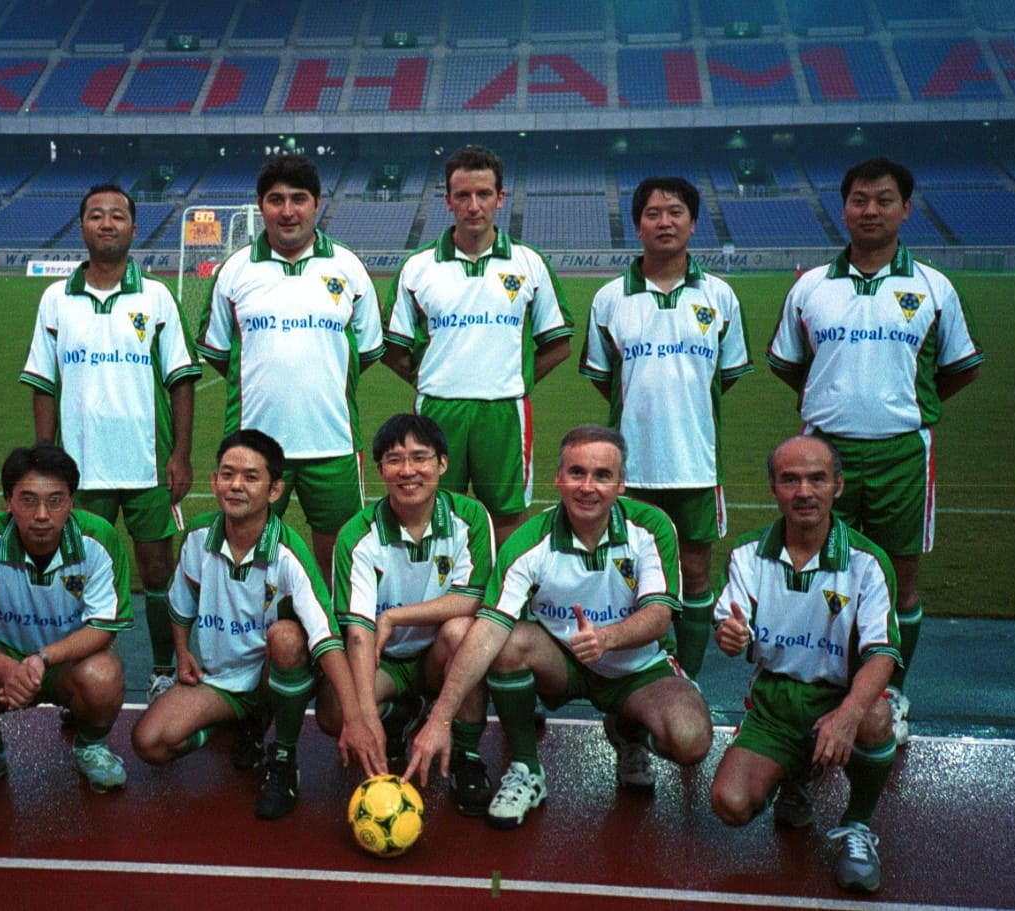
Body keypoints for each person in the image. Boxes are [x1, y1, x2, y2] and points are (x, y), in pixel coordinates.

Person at [767, 158, 984, 744]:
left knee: (898, 577)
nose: (870, 210)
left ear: (906, 209)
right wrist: (834, 401)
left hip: (901, 455)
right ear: (844, 209)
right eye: (859, 200)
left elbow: (957, 369)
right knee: (816, 570)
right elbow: (788, 364)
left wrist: (904, 407)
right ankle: (817, 683)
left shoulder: (934, 287)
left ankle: (891, 691)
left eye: (883, 200)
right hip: (822, 456)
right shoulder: (811, 286)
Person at [405, 425, 713, 829]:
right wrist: (441, 718)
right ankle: (526, 769)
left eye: (602, 476)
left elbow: (658, 617)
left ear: (621, 483)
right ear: (558, 478)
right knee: (509, 643)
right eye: (577, 473)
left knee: (691, 741)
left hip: (638, 669)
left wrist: (606, 639)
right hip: (561, 664)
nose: (588, 487)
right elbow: (488, 629)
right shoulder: (529, 542)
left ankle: (627, 729)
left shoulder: (651, 527)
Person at [130, 430, 387, 819]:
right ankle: (243, 723)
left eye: (251, 477)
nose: (236, 485)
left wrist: (355, 719)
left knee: (286, 638)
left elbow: (326, 638)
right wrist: (182, 653)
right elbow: (181, 605)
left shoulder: (287, 553)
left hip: (276, 672)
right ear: (214, 481)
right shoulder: (198, 537)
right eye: (227, 474)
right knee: (149, 742)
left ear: (274, 489)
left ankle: (283, 756)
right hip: (224, 679)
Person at [20, 183, 200, 704]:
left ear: (133, 228)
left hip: (146, 466)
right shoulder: (56, 299)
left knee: (158, 572)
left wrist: (181, 454)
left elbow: (181, 381)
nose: (106, 223)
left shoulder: (157, 296)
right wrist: (43, 461)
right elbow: (43, 382)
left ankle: (164, 667)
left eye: (117, 215)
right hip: (79, 470)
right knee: (78, 575)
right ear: (82, 227)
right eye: (96, 215)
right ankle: (78, 676)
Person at [710, 435, 901, 893]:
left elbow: (882, 653)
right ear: (773, 488)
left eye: (817, 479)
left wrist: (848, 715)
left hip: (839, 696)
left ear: (838, 485)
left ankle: (856, 825)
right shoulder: (747, 553)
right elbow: (731, 632)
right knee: (729, 804)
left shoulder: (866, 563)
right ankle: (799, 775)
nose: (804, 492)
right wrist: (730, 637)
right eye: (790, 480)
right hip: (774, 700)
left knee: (875, 714)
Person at [580, 176, 753, 679]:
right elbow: (605, 380)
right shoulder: (611, 298)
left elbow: (725, 378)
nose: (664, 222)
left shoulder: (720, 297)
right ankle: (636, 677)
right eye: (653, 213)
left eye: (675, 212)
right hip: (629, 469)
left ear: (693, 222)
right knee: (631, 576)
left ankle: (687, 682)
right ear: (637, 225)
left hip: (695, 463)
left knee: (696, 573)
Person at [198, 153, 383, 589]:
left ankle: (333, 644)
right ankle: (246, 650)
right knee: (244, 557)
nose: (287, 210)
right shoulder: (235, 270)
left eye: (298, 199)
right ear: (260, 205)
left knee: (341, 560)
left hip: (332, 442)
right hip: (254, 447)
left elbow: (368, 351)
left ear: (317, 203)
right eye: (276, 199)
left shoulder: (347, 267)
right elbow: (219, 353)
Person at [381, 144, 575, 545]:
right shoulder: (419, 267)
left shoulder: (528, 263)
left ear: (500, 198)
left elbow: (558, 345)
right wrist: (429, 379)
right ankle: (442, 604)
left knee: (506, 515)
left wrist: (515, 381)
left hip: (503, 410)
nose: (474, 205)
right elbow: (393, 348)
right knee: (434, 512)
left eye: (484, 194)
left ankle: (501, 604)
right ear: (448, 199)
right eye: (463, 195)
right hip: (437, 409)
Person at [314, 414, 496, 815]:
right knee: (333, 712)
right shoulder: (357, 535)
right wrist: (364, 718)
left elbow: (474, 599)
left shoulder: (470, 519)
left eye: (420, 457)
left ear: (442, 464)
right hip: (385, 661)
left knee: (464, 631)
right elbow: (359, 632)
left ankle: (465, 754)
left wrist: (394, 616)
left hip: (437, 655)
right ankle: (397, 714)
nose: (408, 470)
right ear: (380, 470)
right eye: (395, 460)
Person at [0, 444, 133, 801]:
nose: (42, 514)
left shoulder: (99, 539)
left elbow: (103, 627)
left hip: (67, 662)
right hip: (3, 664)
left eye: (55, 501)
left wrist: (42, 659)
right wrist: (9, 669)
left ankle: (89, 747)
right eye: (28, 500)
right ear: (8, 501)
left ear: (71, 501)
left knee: (104, 675)